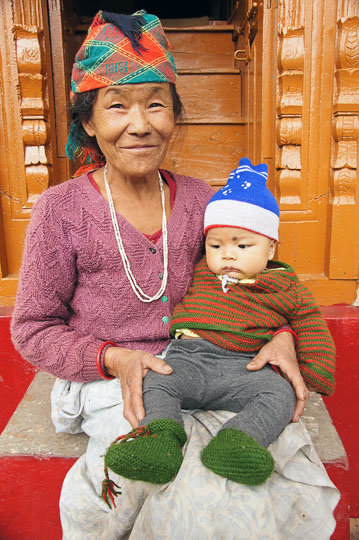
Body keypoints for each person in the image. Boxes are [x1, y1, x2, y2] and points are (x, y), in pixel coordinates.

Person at [10, 9, 339, 539]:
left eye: (155, 105)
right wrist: (112, 357)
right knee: (176, 467)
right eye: (117, 107)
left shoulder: (203, 201)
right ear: (89, 123)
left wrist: (281, 335)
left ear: (174, 117)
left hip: (208, 360)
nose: (140, 124)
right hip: (108, 374)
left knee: (238, 466)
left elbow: (253, 275)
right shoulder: (60, 209)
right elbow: (32, 328)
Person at [103, 158, 335, 491]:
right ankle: (160, 437)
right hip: (189, 358)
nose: (227, 255)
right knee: (155, 382)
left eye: (242, 246)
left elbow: (311, 323)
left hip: (246, 368)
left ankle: (239, 441)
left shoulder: (285, 285)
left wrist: (314, 373)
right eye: (216, 245)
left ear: (271, 247)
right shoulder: (200, 271)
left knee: (279, 394)